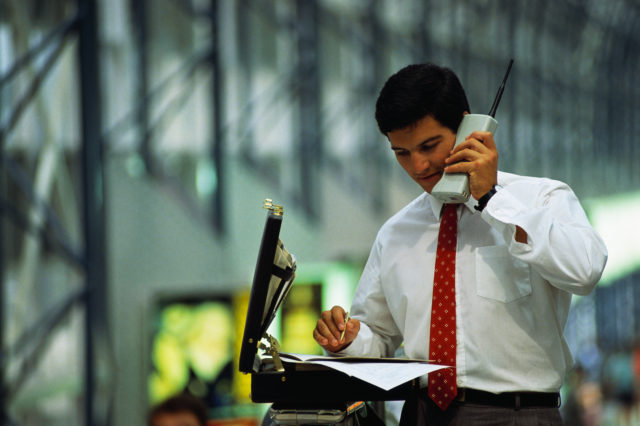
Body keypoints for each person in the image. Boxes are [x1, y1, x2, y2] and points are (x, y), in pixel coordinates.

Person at [313, 63, 608, 425]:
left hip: (519, 413)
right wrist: (347, 340)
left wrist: (492, 201)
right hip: (420, 413)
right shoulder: (395, 233)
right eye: (401, 152)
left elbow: (585, 272)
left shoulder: (541, 199)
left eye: (429, 145)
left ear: (469, 127)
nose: (418, 165)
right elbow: (380, 339)